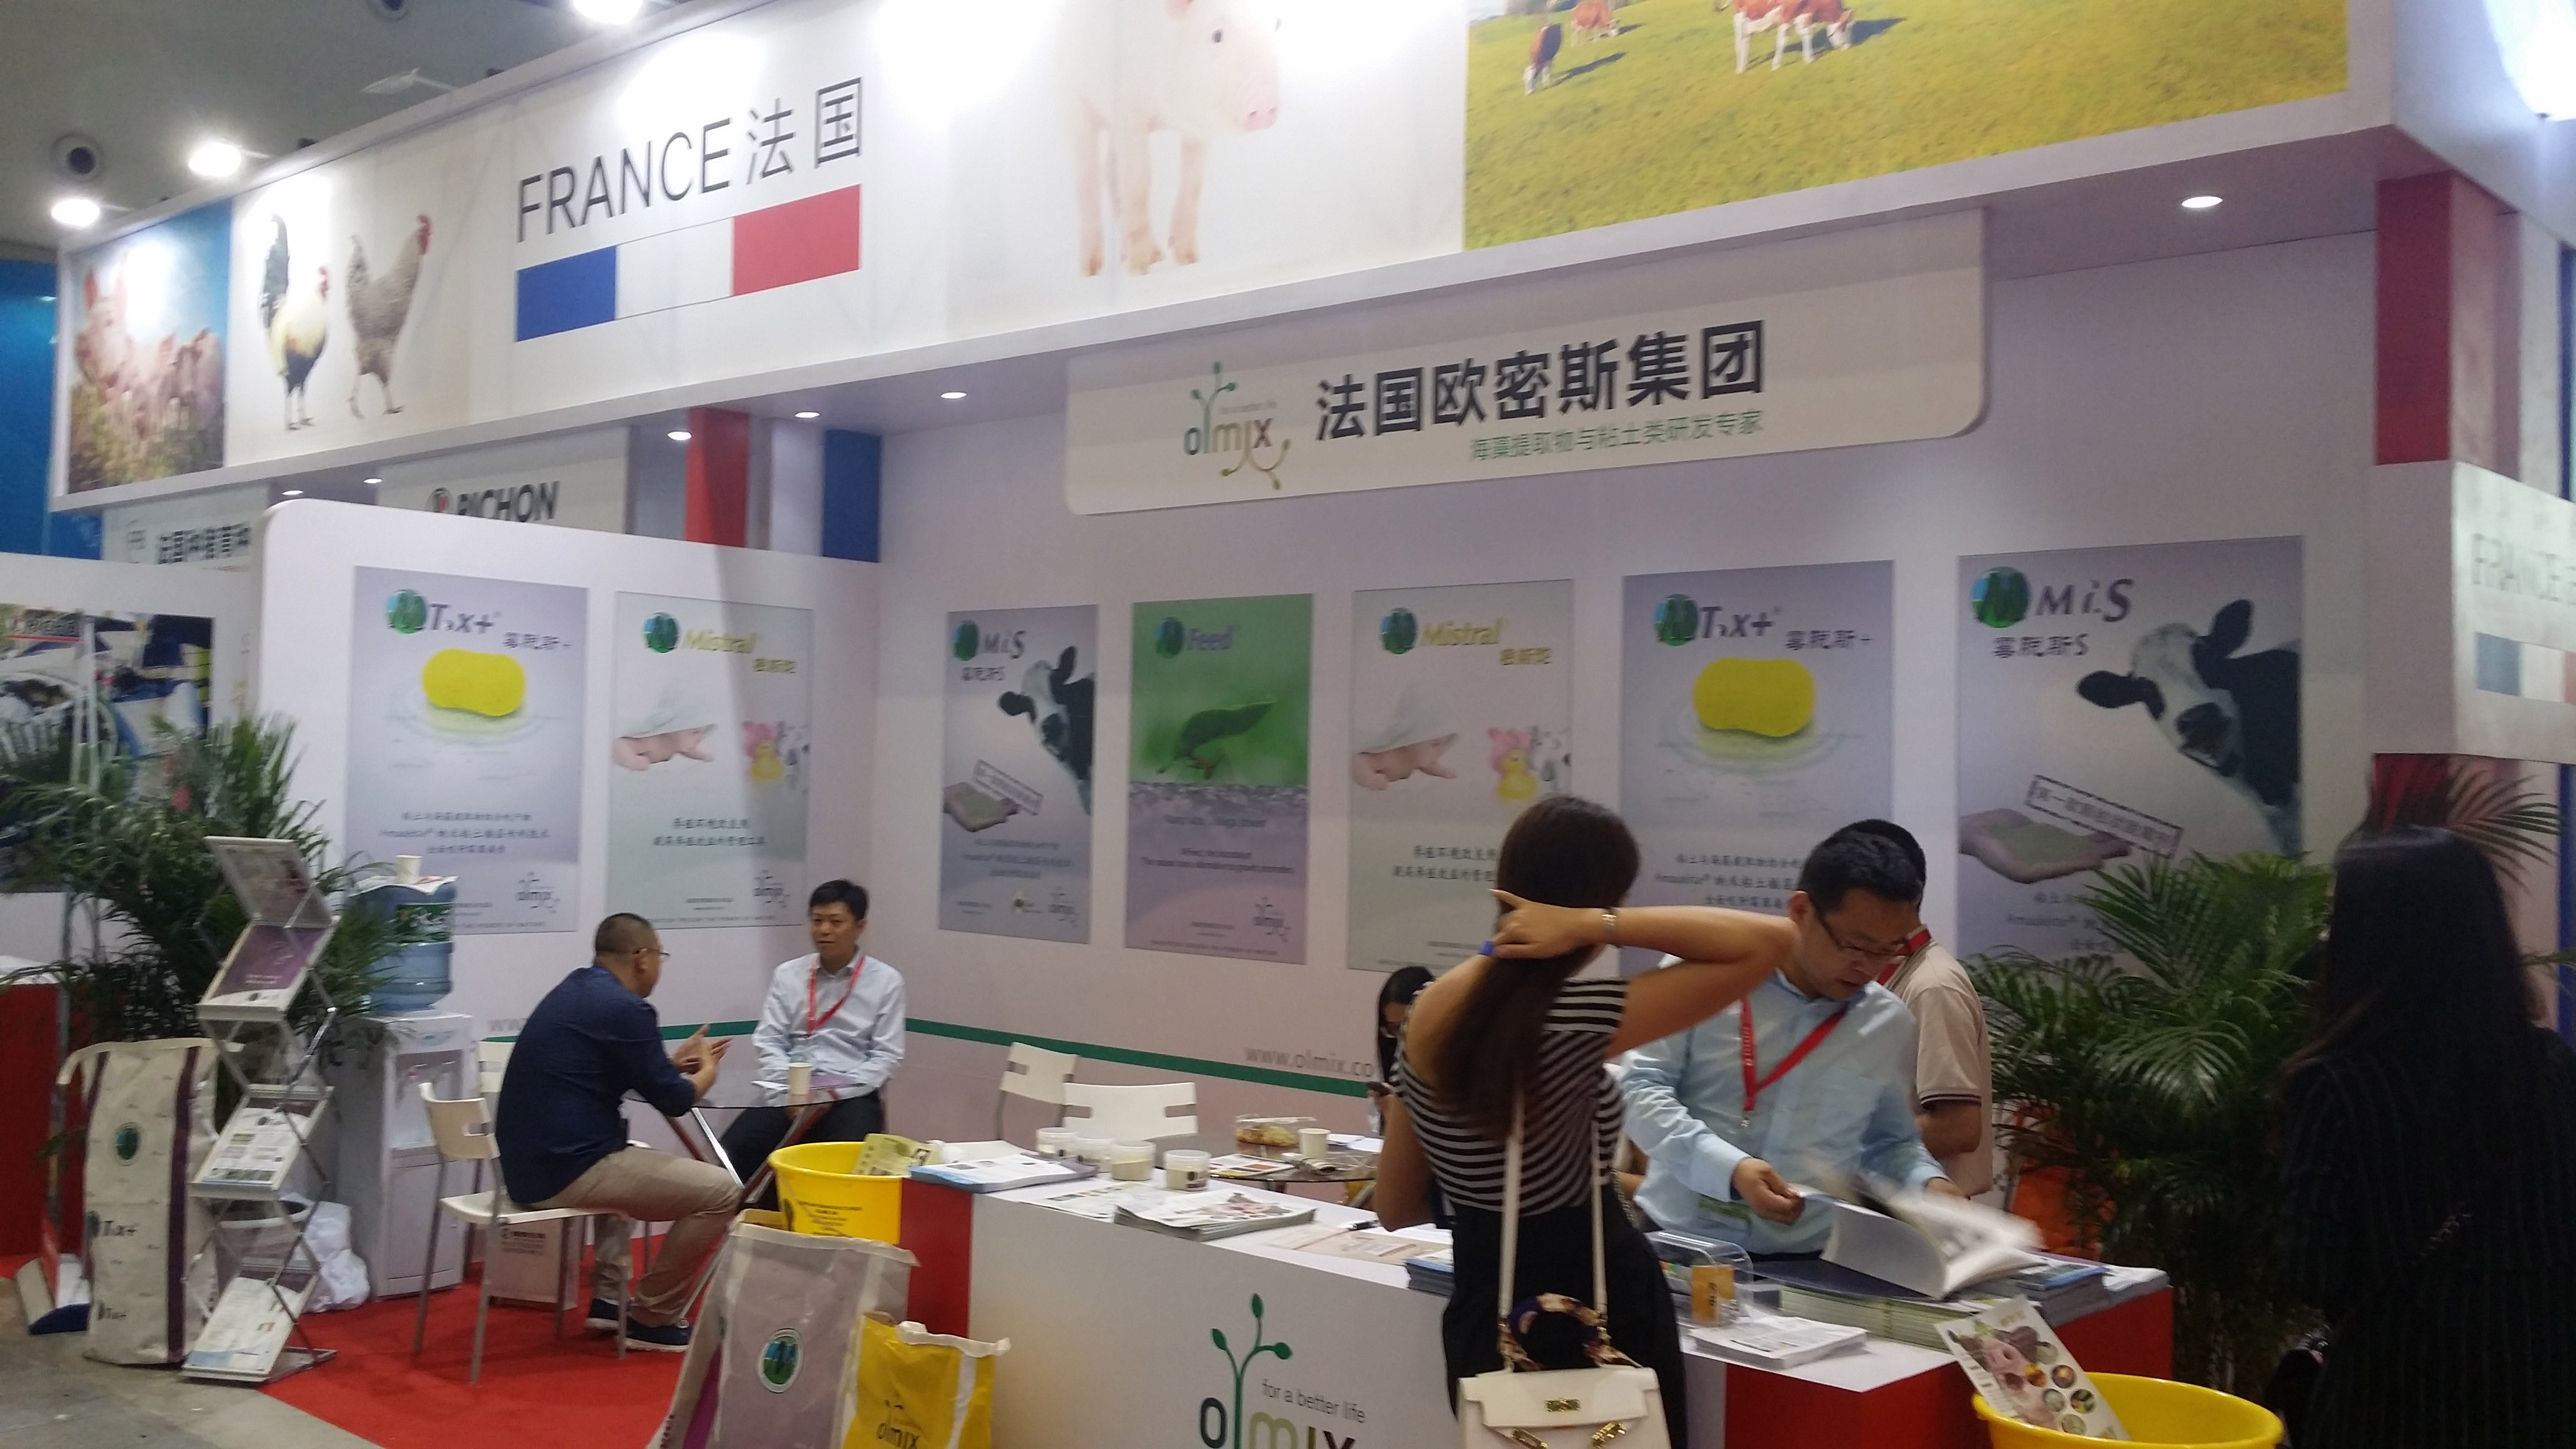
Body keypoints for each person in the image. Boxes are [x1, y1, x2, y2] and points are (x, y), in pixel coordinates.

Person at [1375, 796, 1779, 1443]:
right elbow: (1771, 942)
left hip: (1486, 1313)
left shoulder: (1425, 1011)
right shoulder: (1573, 1019)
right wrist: (1598, 924)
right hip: (1598, 1313)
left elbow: (1394, 1205)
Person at [2278, 827, 2576, 1448]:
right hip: (2537, 1385)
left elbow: (2311, 1269)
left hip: (2397, 1396)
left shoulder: (2336, 1086)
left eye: (2336, 919)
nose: (2326, 937)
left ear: (2375, 941)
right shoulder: (2549, 1065)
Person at [1607, 830, 1961, 1256]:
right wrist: (1728, 1167)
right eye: (1856, 946)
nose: (1868, 967)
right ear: (1801, 910)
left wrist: (1929, 1183)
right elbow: (1640, 1088)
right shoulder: (1699, 979)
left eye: (1888, 950)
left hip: (1811, 1258)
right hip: (1681, 1243)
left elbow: (1890, 1142)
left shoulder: (1886, 1023)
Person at [494, 913, 736, 1352]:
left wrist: (669, 1066)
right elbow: (676, 1100)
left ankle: (608, 1300)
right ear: (641, 958)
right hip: (565, 1171)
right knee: (722, 1192)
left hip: (526, 1167)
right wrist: (708, 1072)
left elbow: (610, 1072)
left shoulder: (575, 989)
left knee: (625, 1151)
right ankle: (653, 1316)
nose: (660, 967)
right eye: (661, 956)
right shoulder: (627, 1009)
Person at [719, 879, 906, 1206]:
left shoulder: (886, 982)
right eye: (817, 920)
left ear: (859, 927)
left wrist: (831, 1094)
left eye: (835, 922)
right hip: (788, 1091)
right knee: (734, 1150)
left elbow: (885, 1057)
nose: (824, 930)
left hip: (850, 1095)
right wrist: (793, 1089)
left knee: (843, 1164)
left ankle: (818, 1226)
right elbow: (770, 1039)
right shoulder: (788, 975)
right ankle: (758, 1222)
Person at [1837, 819, 1994, 1198]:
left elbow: (1958, 1129)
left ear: (1910, 894)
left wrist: (1832, 1141)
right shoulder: (1876, 978)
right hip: (1882, 1207)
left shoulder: (1933, 985)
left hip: (1923, 1213)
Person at [1367, 965, 1435, 1132]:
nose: (1402, 1036)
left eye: (1408, 1024)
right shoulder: (1392, 1050)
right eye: (1394, 1028)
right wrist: (1389, 1110)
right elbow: (1377, 1126)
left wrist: (1399, 1115)